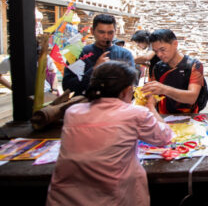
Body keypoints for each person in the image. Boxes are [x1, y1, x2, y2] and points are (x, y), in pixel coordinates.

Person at [47, 61, 172, 206]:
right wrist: (151, 106)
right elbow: (165, 136)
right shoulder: (135, 114)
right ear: (126, 91)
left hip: (63, 199)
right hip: (113, 199)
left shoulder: (73, 113)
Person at [62, 14, 135, 95]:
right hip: (85, 104)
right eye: (101, 32)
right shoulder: (78, 53)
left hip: (115, 105)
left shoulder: (125, 55)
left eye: (110, 32)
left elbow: (132, 85)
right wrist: (94, 70)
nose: (106, 36)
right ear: (92, 31)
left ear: (115, 31)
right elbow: (67, 86)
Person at [142, 29, 207, 114]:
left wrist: (164, 89)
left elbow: (192, 98)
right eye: (156, 51)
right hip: (164, 116)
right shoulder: (157, 67)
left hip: (189, 117)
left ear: (175, 44)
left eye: (162, 49)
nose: (159, 55)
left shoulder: (194, 65)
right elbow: (153, 93)